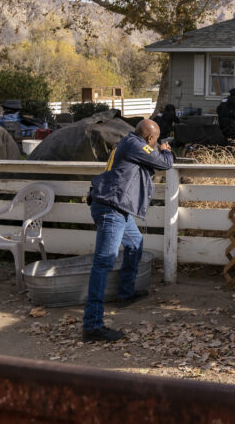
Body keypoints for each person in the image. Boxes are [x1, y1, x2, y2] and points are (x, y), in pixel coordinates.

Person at [82, 119, 174, 342]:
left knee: (135, 244)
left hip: (116, 207)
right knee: (103, 262)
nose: (155, 143)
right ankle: (92, 325)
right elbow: (163, 163)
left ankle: (125, 293)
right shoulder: (135, 144)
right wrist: (167, 151)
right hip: (111, 208)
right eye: (155, 140)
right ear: (150, 138)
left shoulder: (128, 143)